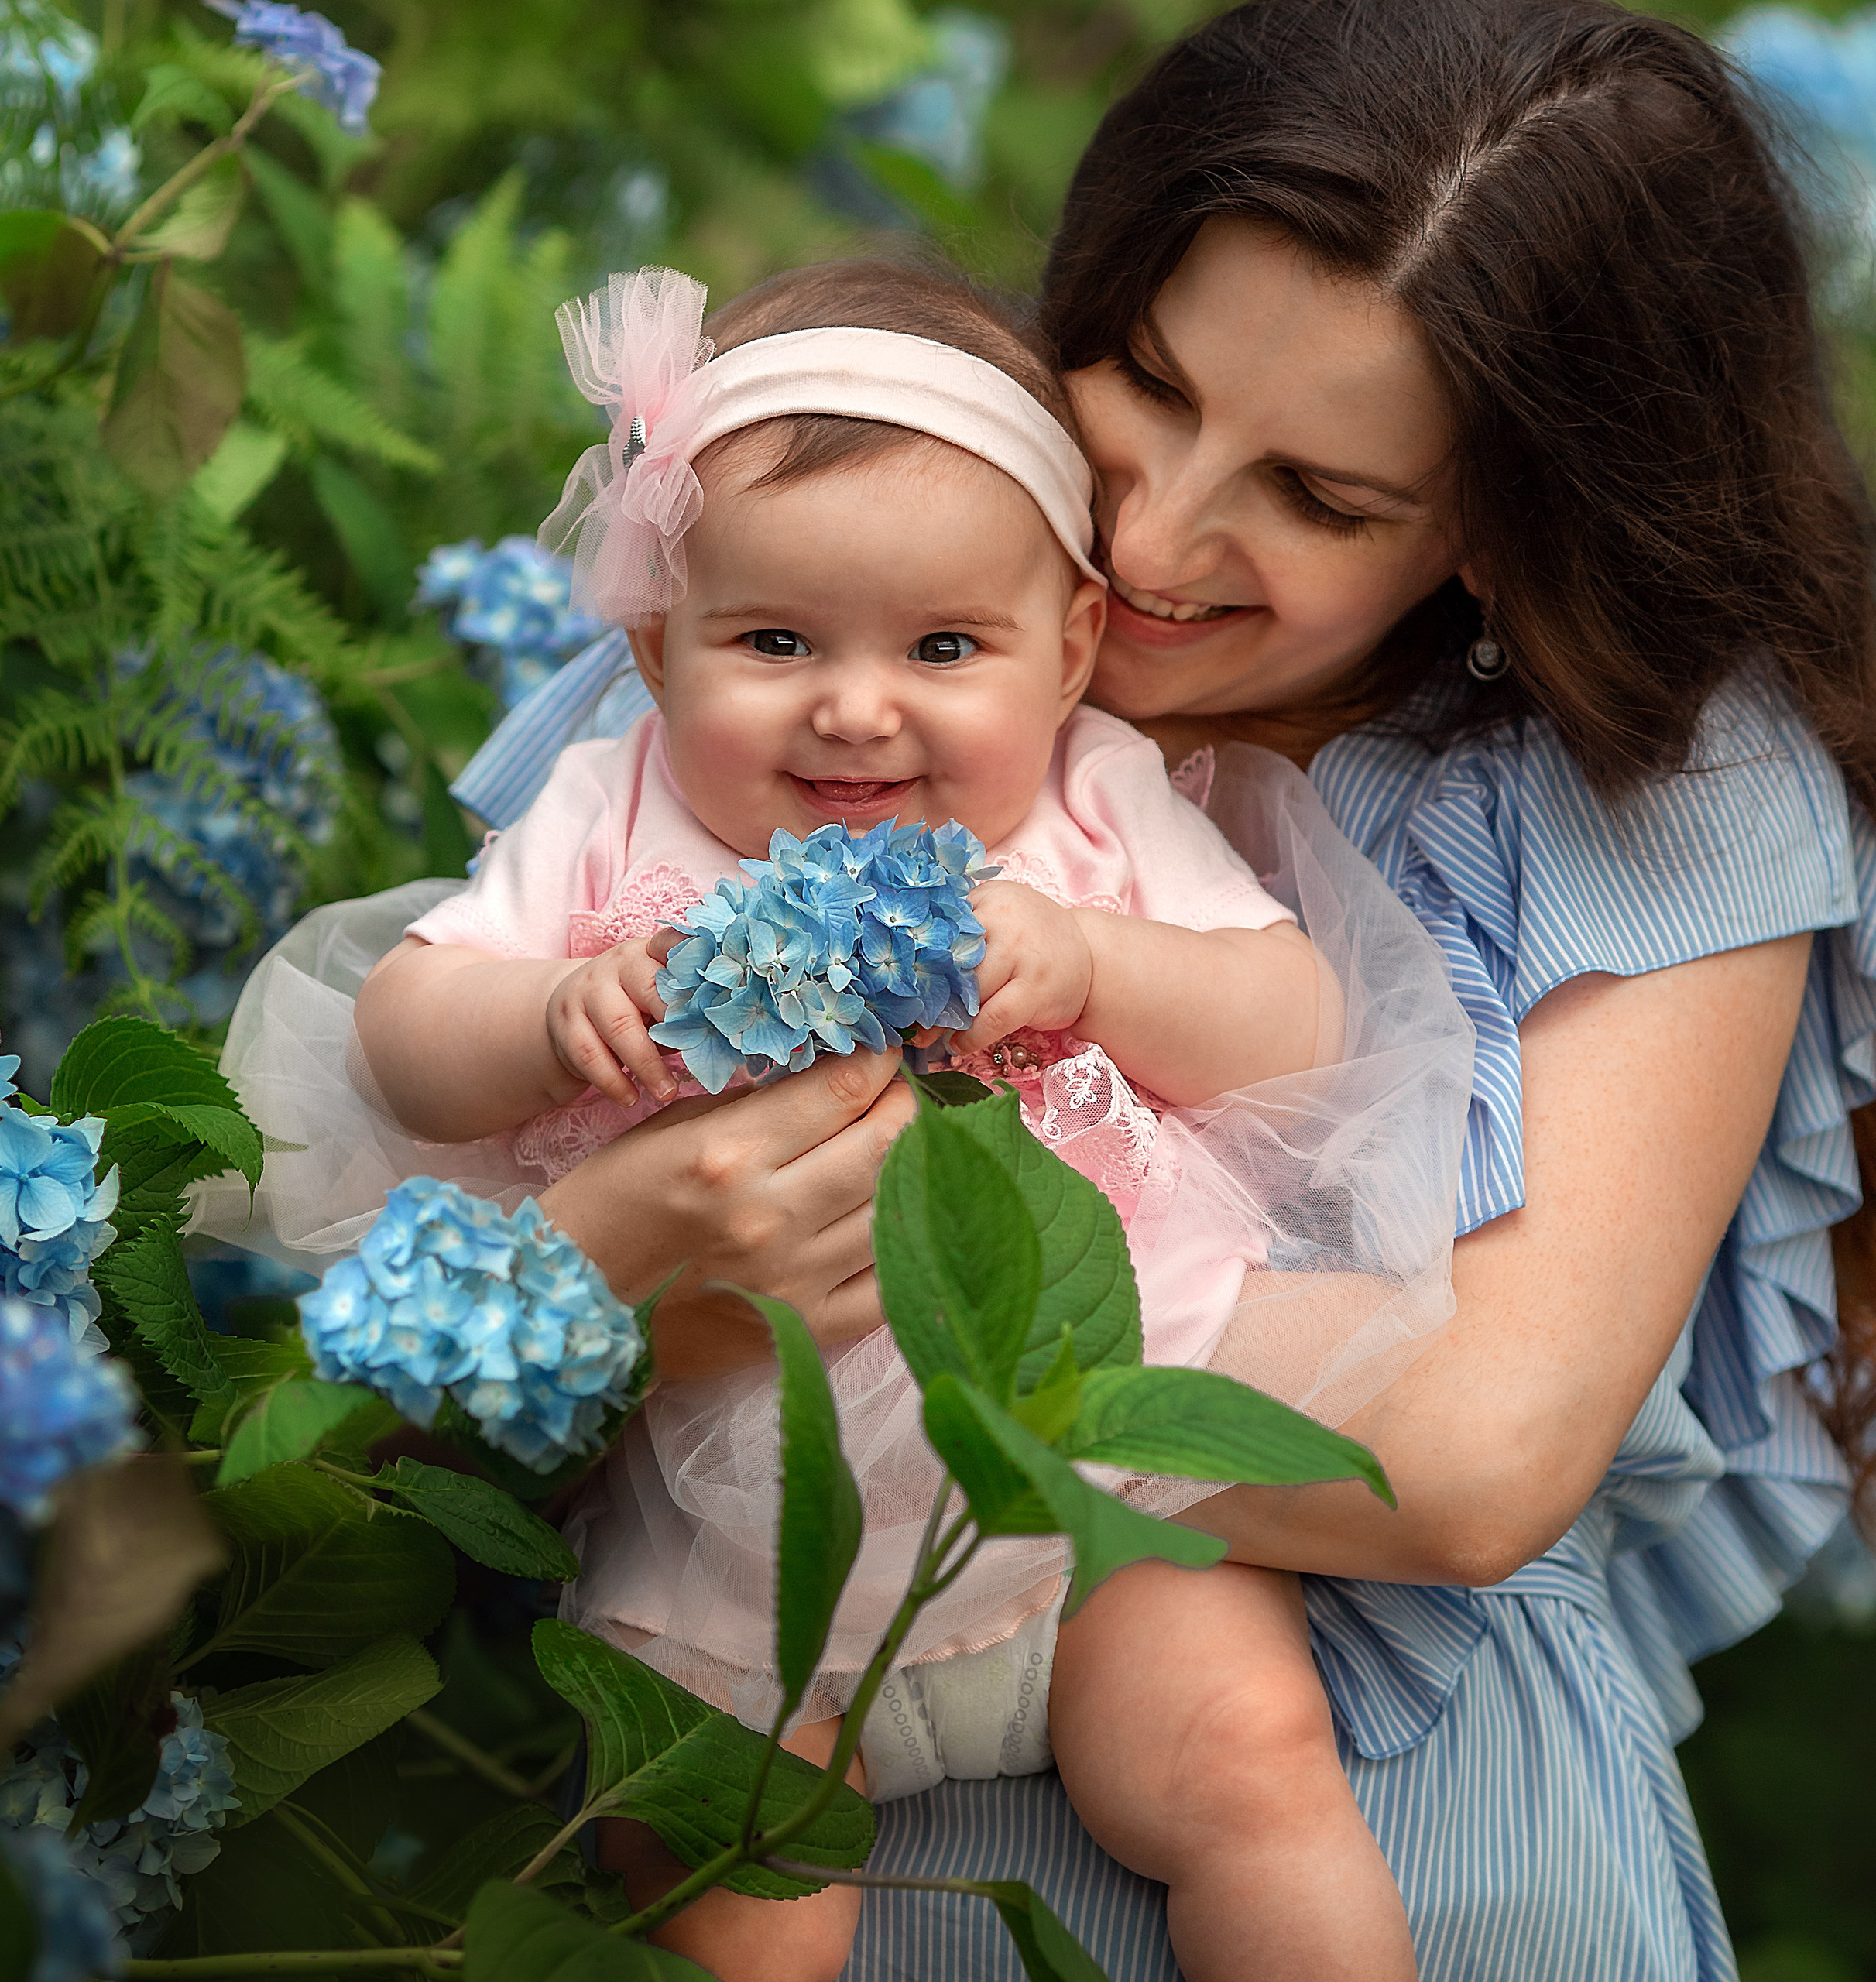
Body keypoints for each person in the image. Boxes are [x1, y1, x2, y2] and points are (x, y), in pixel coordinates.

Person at [196, 2, 1876, 1974]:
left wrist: (776, 1305)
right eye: (1145, 384)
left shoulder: (1658, 773)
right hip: (797, 1770)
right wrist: (611, 1243)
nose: (1155, 532)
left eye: (1319, 498)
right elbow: (392, 1369)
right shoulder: (821, 596)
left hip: (1402, 1833)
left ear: (1511, 526)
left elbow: (1464, 1456)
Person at [318, 258, 1470, 1982]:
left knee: (1248, 1770)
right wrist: (544, 1012)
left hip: (1094, 1475)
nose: (857, 705)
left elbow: (1294, 1018)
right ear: (652, 641)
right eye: (774, 641)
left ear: (1069, 644)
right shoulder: (607, 801)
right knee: (733, 1892)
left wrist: (1090, 962)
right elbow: (400, 1036)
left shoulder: (1092, 796)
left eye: (944, 646)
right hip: (730, 1527)